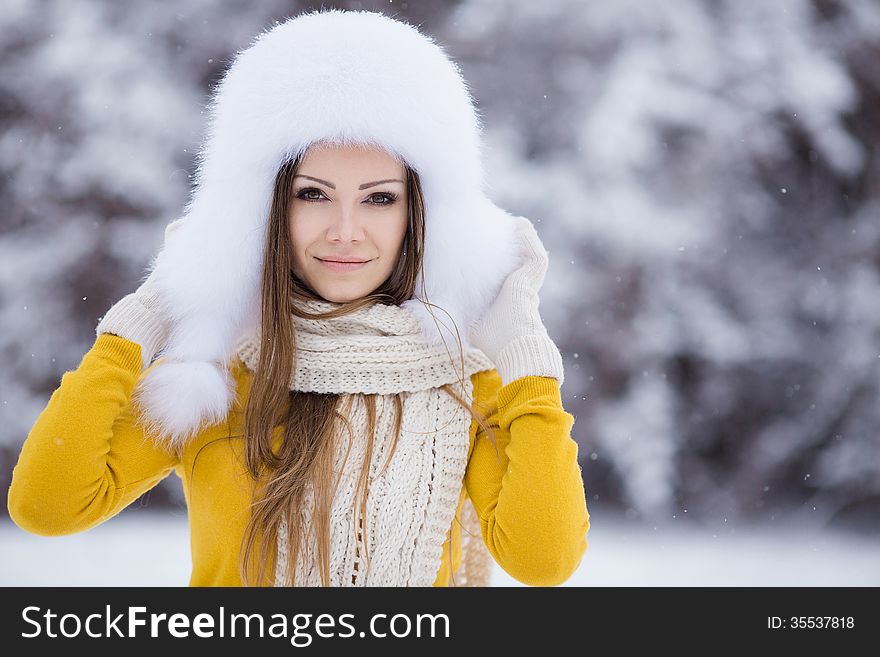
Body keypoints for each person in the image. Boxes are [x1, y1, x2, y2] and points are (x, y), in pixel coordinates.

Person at [7, 9, 590, 587]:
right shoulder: (217, 378)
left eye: (379, 199)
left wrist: (528, 361)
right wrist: (144, 318)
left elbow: (544, 561)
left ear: (422, 216)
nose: (344, 230)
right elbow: (49, 505)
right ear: (263, 210)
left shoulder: (463, 385)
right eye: (312, 194)